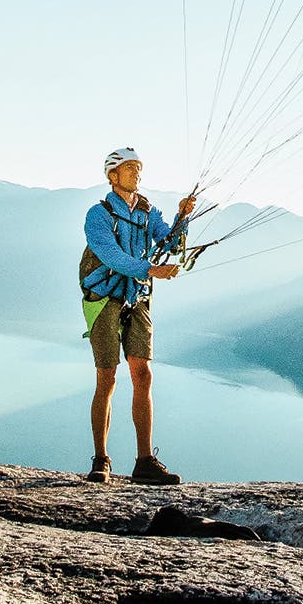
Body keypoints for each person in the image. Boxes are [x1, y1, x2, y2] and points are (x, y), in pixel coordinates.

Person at [81, 148, 196, 485]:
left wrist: (182, 217)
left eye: (138, 167)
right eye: (129, 167)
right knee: (107, 377)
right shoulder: (98, 214)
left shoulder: (148, 212)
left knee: (142, 374)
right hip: (105, 298)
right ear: (112, 175)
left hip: (136, 297)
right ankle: (101, 459)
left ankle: (144, 461)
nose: (137, 173)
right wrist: (151, 269)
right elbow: (111, 256)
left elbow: (171, 244)